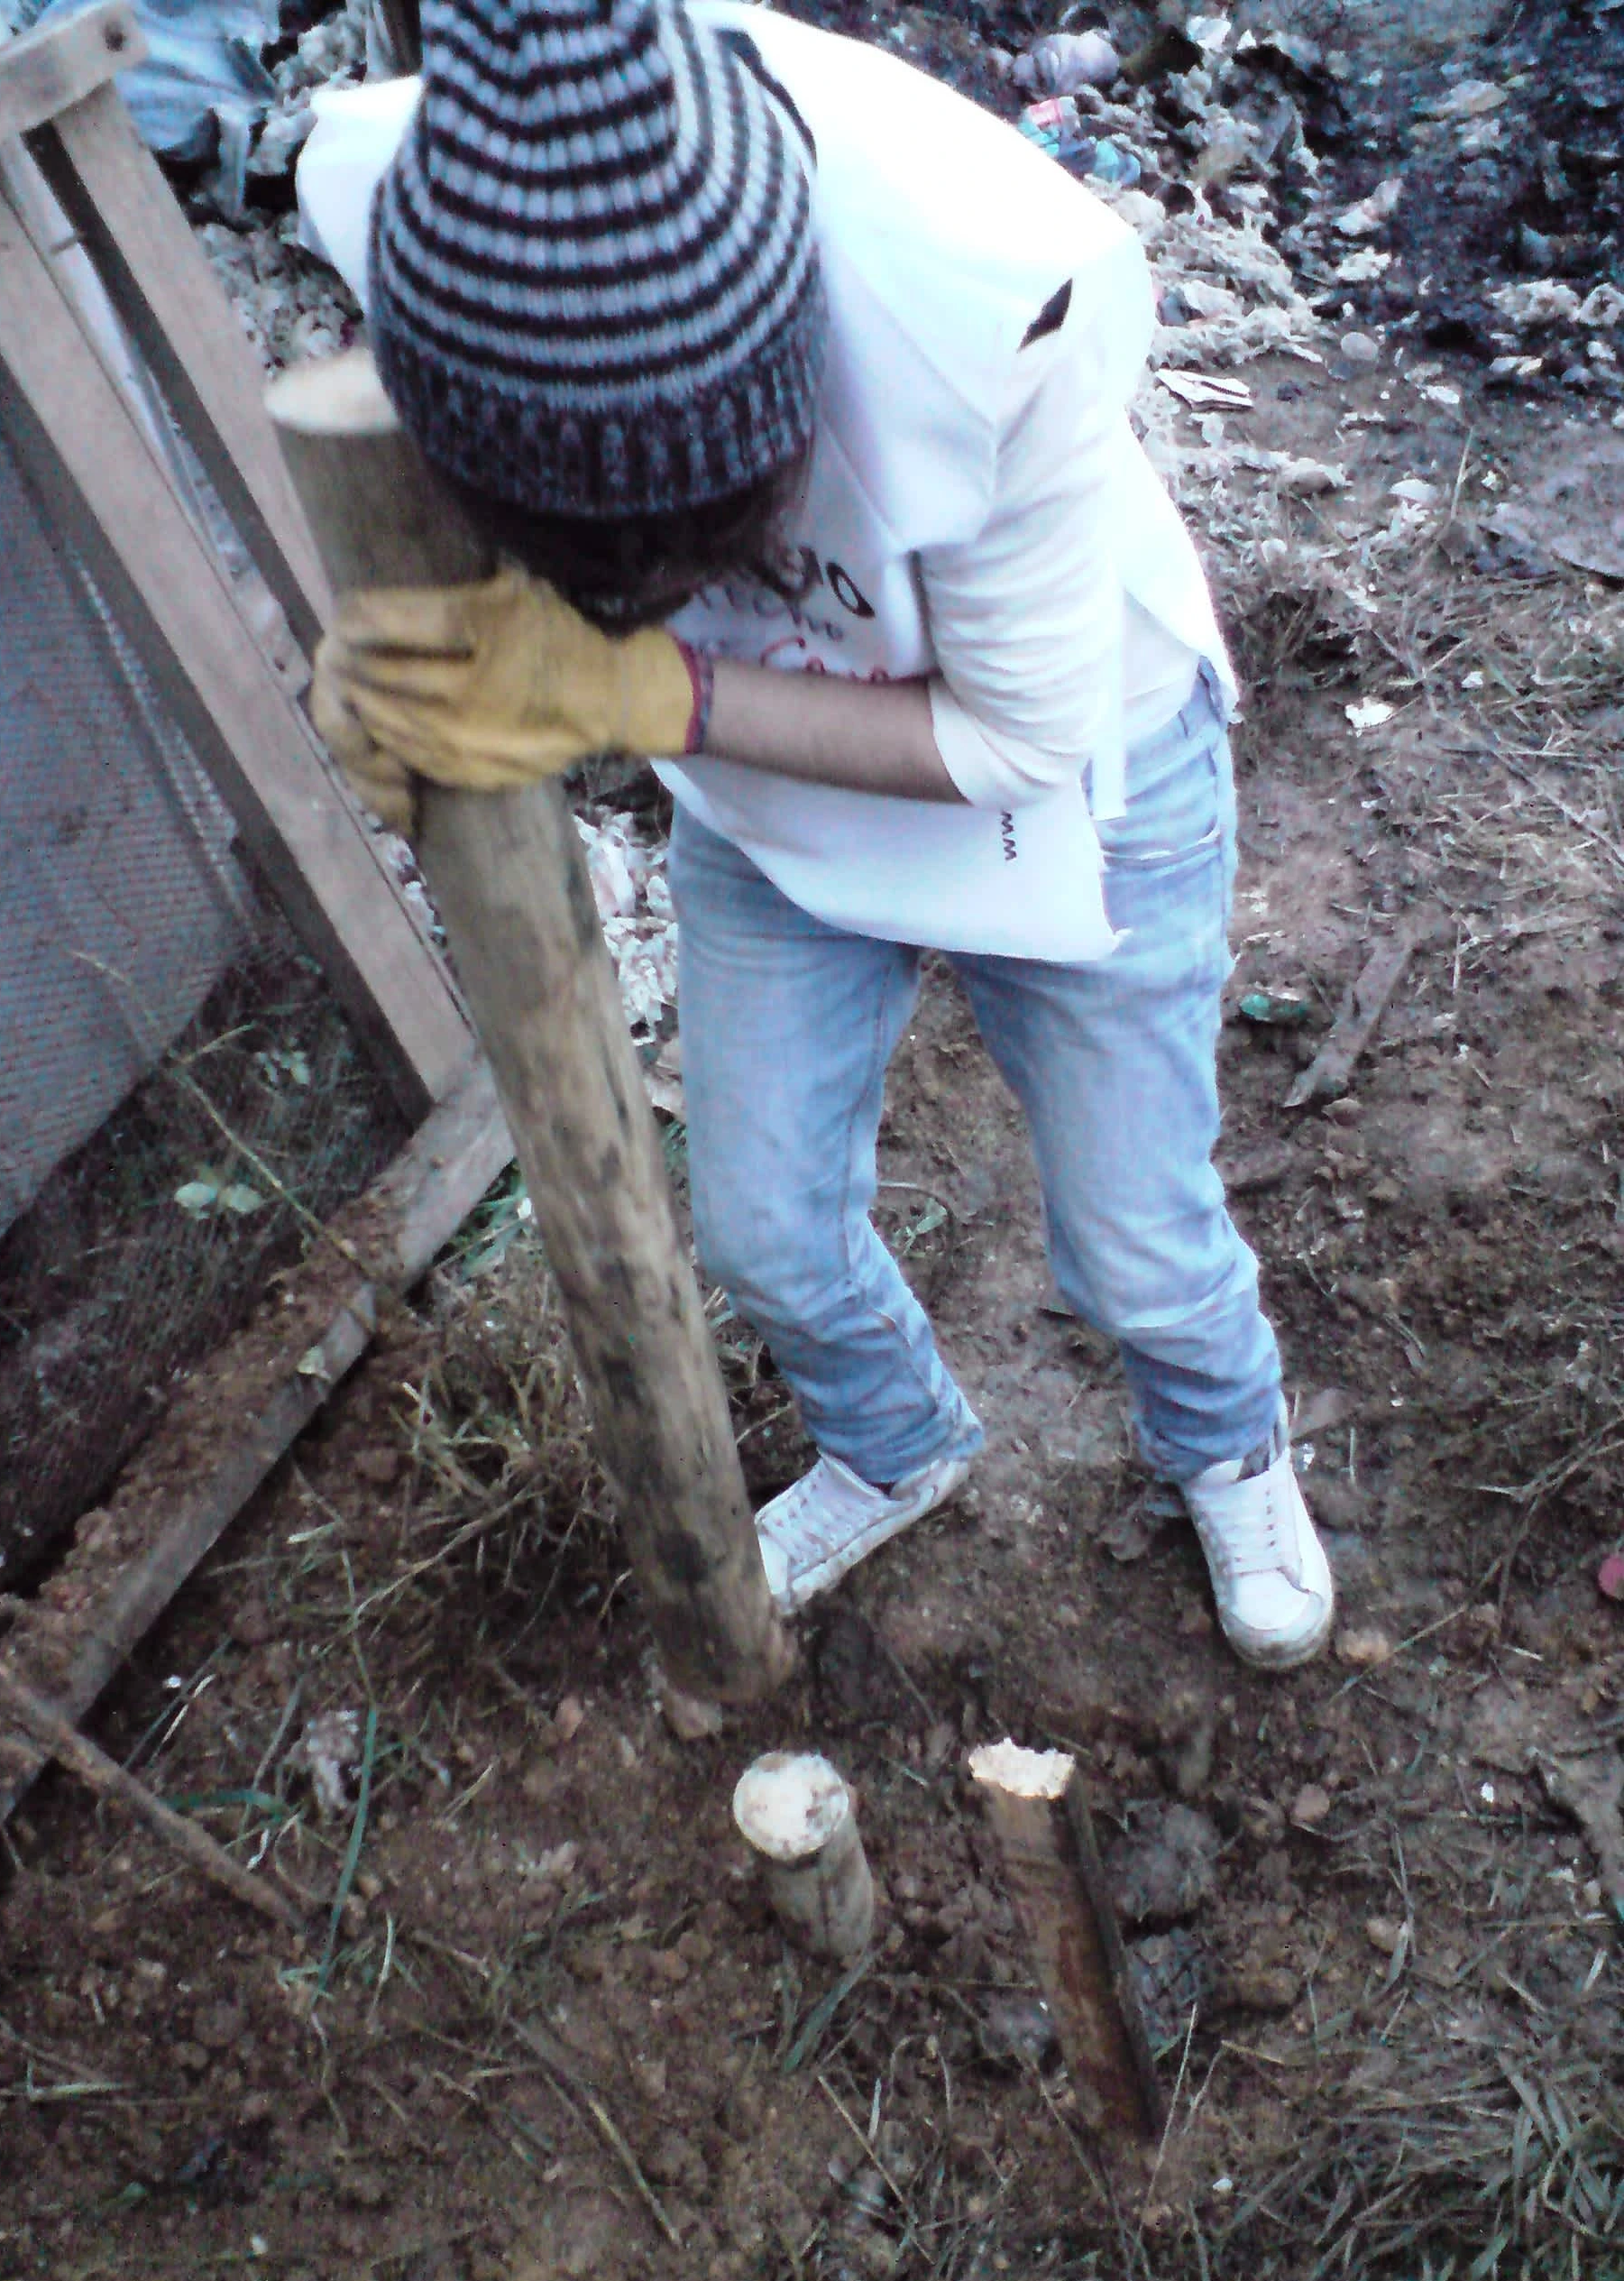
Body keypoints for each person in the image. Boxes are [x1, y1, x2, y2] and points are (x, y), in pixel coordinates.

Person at [299, 0, 1336, 1670]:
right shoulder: (415, 203)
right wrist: (394, 658)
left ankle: (1227, 1440)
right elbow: (442, 531)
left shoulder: (984, 301)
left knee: (1136, 1243)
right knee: (765, 1229)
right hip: (771, 783)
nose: (649, 581)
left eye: (701, 533)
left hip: (1074, 774)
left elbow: (1013, 736)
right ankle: (895, 1436)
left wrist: (635, 689)